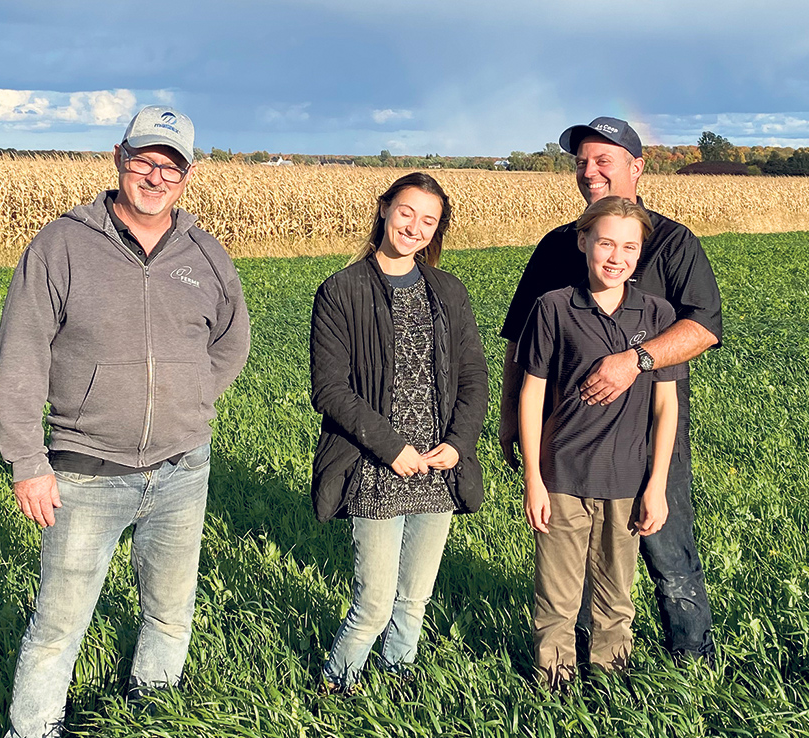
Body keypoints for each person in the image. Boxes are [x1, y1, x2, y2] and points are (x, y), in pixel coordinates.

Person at [0, 105, 250, 738]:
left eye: (171, 165)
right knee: (59, 622)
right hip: (84, 471)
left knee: (170, 609)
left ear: (188, 177)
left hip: (182, 469)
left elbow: (231, 341)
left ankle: (150, 714)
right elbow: (22, 354)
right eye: (145, 159)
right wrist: (27, 459)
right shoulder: (62, 245)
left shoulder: (204, 254)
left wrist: (188, 400)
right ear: (118, 156)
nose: (155, 176)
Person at [499, 116, 723, 665]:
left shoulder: (672, 243)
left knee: (667, 551)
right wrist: (510, 419)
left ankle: (690, 660)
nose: (590, 171)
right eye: (582, 162)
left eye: (604, 160)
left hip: (646, 438)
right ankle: (568, 668)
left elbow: (703, 327)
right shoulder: (558, 246)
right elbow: (521, 340)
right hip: (569, 441)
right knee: (571, 563)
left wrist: (637, 360)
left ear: (636, 168)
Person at [309, 172, 488, 693]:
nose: (414, 227)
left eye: (428, 220)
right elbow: (330, 389)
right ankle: (335, 689)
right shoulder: (341, 291)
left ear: (437, 230)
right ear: (385, 208)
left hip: (437, 468)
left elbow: (474, 376)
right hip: (374, 468)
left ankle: (396, 681)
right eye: (407, 212)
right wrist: (392, 449)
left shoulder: (448, 291)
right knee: (374, 603)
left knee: (414, 600)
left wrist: (457, 445)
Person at [518, 196, 680, 687]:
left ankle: (611, 683)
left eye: (629, 247)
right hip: (563, 475)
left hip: (627, 479)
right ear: (584, 242)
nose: (616, 257)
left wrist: (657, 485)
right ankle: (555, 685)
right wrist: (534, 479)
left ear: (641, 253)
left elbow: (666, 406)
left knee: (616, 599)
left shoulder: (657, 313)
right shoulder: (554, 307)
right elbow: (531, 395)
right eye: (606, 243)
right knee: (558, 598)